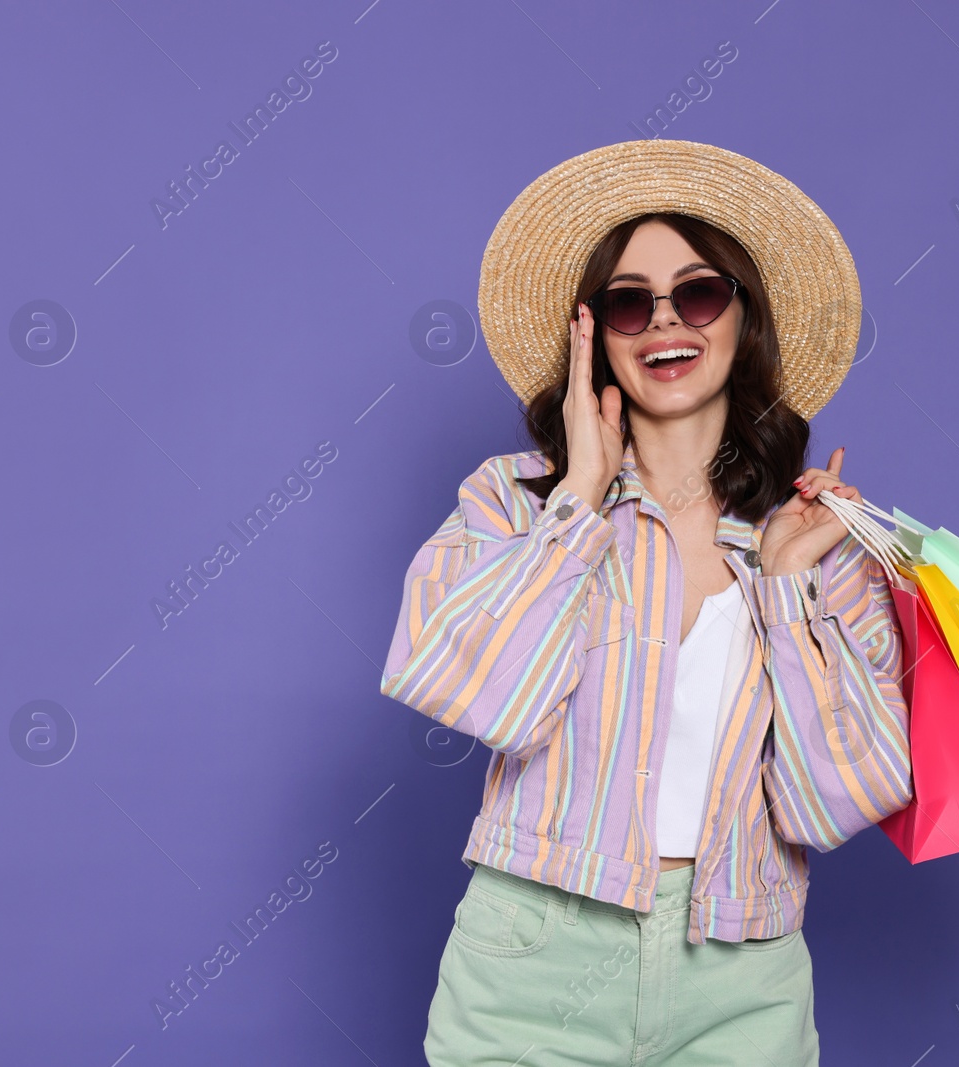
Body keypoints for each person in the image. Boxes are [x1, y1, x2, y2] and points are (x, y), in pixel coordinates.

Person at [379, 139, 913, 1066]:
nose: (666, 321)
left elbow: (839, 801)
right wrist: (580, 502)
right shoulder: (513, 502)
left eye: (699, 293)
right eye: (630, 301)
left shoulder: (820, 543)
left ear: (744, 319)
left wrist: (787, 594)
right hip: (533, 956)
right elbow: (477, 698)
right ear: (597, 334)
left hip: (741, 970)